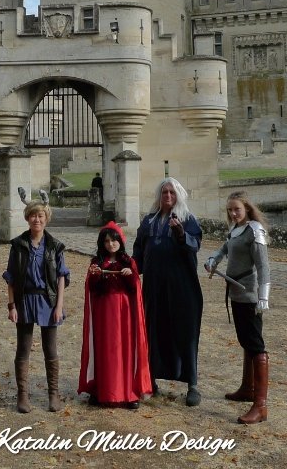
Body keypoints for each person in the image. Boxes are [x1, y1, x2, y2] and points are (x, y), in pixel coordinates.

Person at [132, 177, 204, 406]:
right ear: (159, 196)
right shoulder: (148, 222)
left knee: (185, 333)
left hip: (182, 288)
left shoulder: (187, 220)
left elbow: (194, 245)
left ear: (179, 195)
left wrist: (181, 234)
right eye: (165, 193)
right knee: (154, 331)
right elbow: (138, 255)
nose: (168, 197)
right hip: (154, 288)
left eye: (172, 193)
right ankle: (150, 380)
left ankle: (192, 384)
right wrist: (120, 266)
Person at [204, 191, 271, 424]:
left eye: (237, 210)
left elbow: (263, 267)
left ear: (247, 209)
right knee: (246, 341)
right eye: (230, 210)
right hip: (236, 292)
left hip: (249, 294)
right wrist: (214, 259)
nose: (233, 213)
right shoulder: (235, 229)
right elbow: (225, 248)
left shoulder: (255, 231)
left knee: (256, 344)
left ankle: (260, 405)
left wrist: (264, 296)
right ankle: (247, 388)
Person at [3, 200, 70, 412]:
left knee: (50, 349)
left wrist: (59, 307)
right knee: (23, 350)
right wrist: (12, 306)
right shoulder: (18, 245)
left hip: (48, 301)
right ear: (27, 218)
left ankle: (53, 394)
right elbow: (11, 277)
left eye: (40, 216)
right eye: (33, 215)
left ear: (46, 218)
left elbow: (61, 277)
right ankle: (22, 396)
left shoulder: (55, 246)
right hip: (24, 301)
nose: (37, 219)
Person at [78, 222, 152, 409]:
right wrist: (93, 275)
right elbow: (92, 289)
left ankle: (128, 392)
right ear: (102, 243)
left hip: (124, 312)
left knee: (124, 348)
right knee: (104, 349)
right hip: (103, 312)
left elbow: (135, 289)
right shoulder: (96, 262)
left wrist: (131, 276)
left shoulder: (129, 261)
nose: (111, 244)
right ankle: (102, 390)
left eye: (114, 240)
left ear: (121, 241)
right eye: (107, 241)